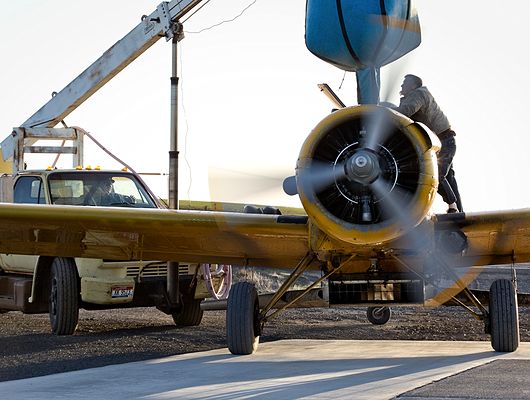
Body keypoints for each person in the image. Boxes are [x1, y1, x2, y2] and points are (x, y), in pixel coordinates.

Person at [391, 74, 463, 213]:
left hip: (442, 142)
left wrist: (383, 112)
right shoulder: (413, 96)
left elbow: (405, 112)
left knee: (436, 175)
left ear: (413, 85)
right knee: (449, 179)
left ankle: (454, 208)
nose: (401, 86)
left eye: (404, 83)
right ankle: (459, 213)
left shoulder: (419, 94)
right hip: (439, 143)